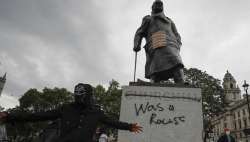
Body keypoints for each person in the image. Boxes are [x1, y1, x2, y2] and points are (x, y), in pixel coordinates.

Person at [0, 83, 142, 142]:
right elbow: (38, 115)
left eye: (82, 94)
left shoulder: (96, 112)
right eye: (77, 94)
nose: (78, 97)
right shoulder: (66, 108)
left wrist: (129, 127)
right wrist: (10, 116)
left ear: (88, 96)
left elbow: (113, 122)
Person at [134, 0, 184, 83]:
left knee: (177, 63)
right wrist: (137, 44)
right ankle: (153, 82)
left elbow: (176, 34)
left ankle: (181, 83)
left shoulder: (169, 21)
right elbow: (139, 32)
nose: (158, 5)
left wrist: (178, 44)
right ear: (152, 8)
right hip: (156, 44)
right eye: (156, 4)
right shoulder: (148, 19)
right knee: (155, 67)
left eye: (160, 4)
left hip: (171, 44)